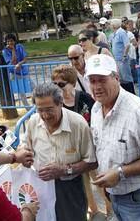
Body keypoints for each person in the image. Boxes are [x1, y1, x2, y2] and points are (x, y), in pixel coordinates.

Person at [85, 54, 140, 221]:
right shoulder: (96, 108)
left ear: (116, 78)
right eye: (92, 81)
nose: (96, 87)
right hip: (113, 194)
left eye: (102, 80)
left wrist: (120, 172)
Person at [26, 83, 97, 221]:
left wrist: (65, 170)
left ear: (60, 104)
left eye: (49, 109)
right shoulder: (33, 121)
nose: (45, 115)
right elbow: (26, 148)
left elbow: (92, 162)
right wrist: (23, 154)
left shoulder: (78, 124)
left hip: (70, 189)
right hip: (41, 187)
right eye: (40, 110)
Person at [51, 65, 113, 219]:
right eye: (54, 84)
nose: (57, 88)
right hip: (71, 152)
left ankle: (110, 210)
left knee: (100, 180)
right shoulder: (55, 104)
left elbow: (100, 117)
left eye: (61, 84)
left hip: (91, 148)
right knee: (84, 185)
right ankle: (92, 210)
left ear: (72, 83)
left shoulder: (85, 98)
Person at [2, 33, 32, 108]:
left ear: (15, 41)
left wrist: (20, 64)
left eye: (11, 41)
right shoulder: (5, 51)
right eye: (8, 41)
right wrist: (13, 51)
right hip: (14, 73)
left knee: (34, 88)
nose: (10, 43)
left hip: (24, 72)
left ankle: (36, 106)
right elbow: (12, 62)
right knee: (22, 94)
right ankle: (28, 111)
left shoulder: (20, 47)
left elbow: (25, 58)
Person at [110, 19, 135, 94]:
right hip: (118, 59)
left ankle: (131, 93)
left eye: (111, 24)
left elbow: (127, 45)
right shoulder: (116, 33)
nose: (110, 26)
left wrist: (124, 55)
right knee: (122, 78)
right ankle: (126, 94)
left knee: (126, 78)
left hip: (122, 59)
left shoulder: (121, 32)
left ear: (114, 25)